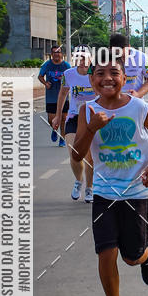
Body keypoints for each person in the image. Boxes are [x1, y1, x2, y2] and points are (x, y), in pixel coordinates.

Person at [73, 50, 148, 296]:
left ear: (124, 78)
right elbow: (77, 153)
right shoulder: (87, 110)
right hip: (103, 192)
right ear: (91, 80)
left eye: (114, 73)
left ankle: (147, 253)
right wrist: (91, 128)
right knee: (106, 252)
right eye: (100, 73)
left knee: (131, 257)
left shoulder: (138, 106)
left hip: (136, 192)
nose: (107, 78)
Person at [52, 47, 96, 202]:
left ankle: (89, 189)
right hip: (74, 117)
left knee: (90, 157)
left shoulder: (96, 74)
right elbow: (63, 94)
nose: (82, 61)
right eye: (79, 57)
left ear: (91, 58)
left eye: (85, 57)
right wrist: (58, 117)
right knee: (74, 155)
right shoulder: (68, 74)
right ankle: (79, 181)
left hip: (92, 118)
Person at [108, 33, 148, 99]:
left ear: (128, 47)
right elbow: (92, 76)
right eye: (115, 53)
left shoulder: (141, 57)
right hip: (112, 102)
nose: (119, 56)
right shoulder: (105, 58)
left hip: (134, 101)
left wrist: (138, 94)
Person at [39, 45, 70, 145]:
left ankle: (62, 138)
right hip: (51, 96)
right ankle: (54, 129)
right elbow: (40, 76)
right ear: (51, 54)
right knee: (51, 119)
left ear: (61, 54)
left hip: (64, 97)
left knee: (64, 119)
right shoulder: (47, 65)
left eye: (58, 52)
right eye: (54, 52)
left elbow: (71, 77)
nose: (56, 54)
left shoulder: (66, 65)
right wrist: (45, 83)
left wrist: (65, 81)